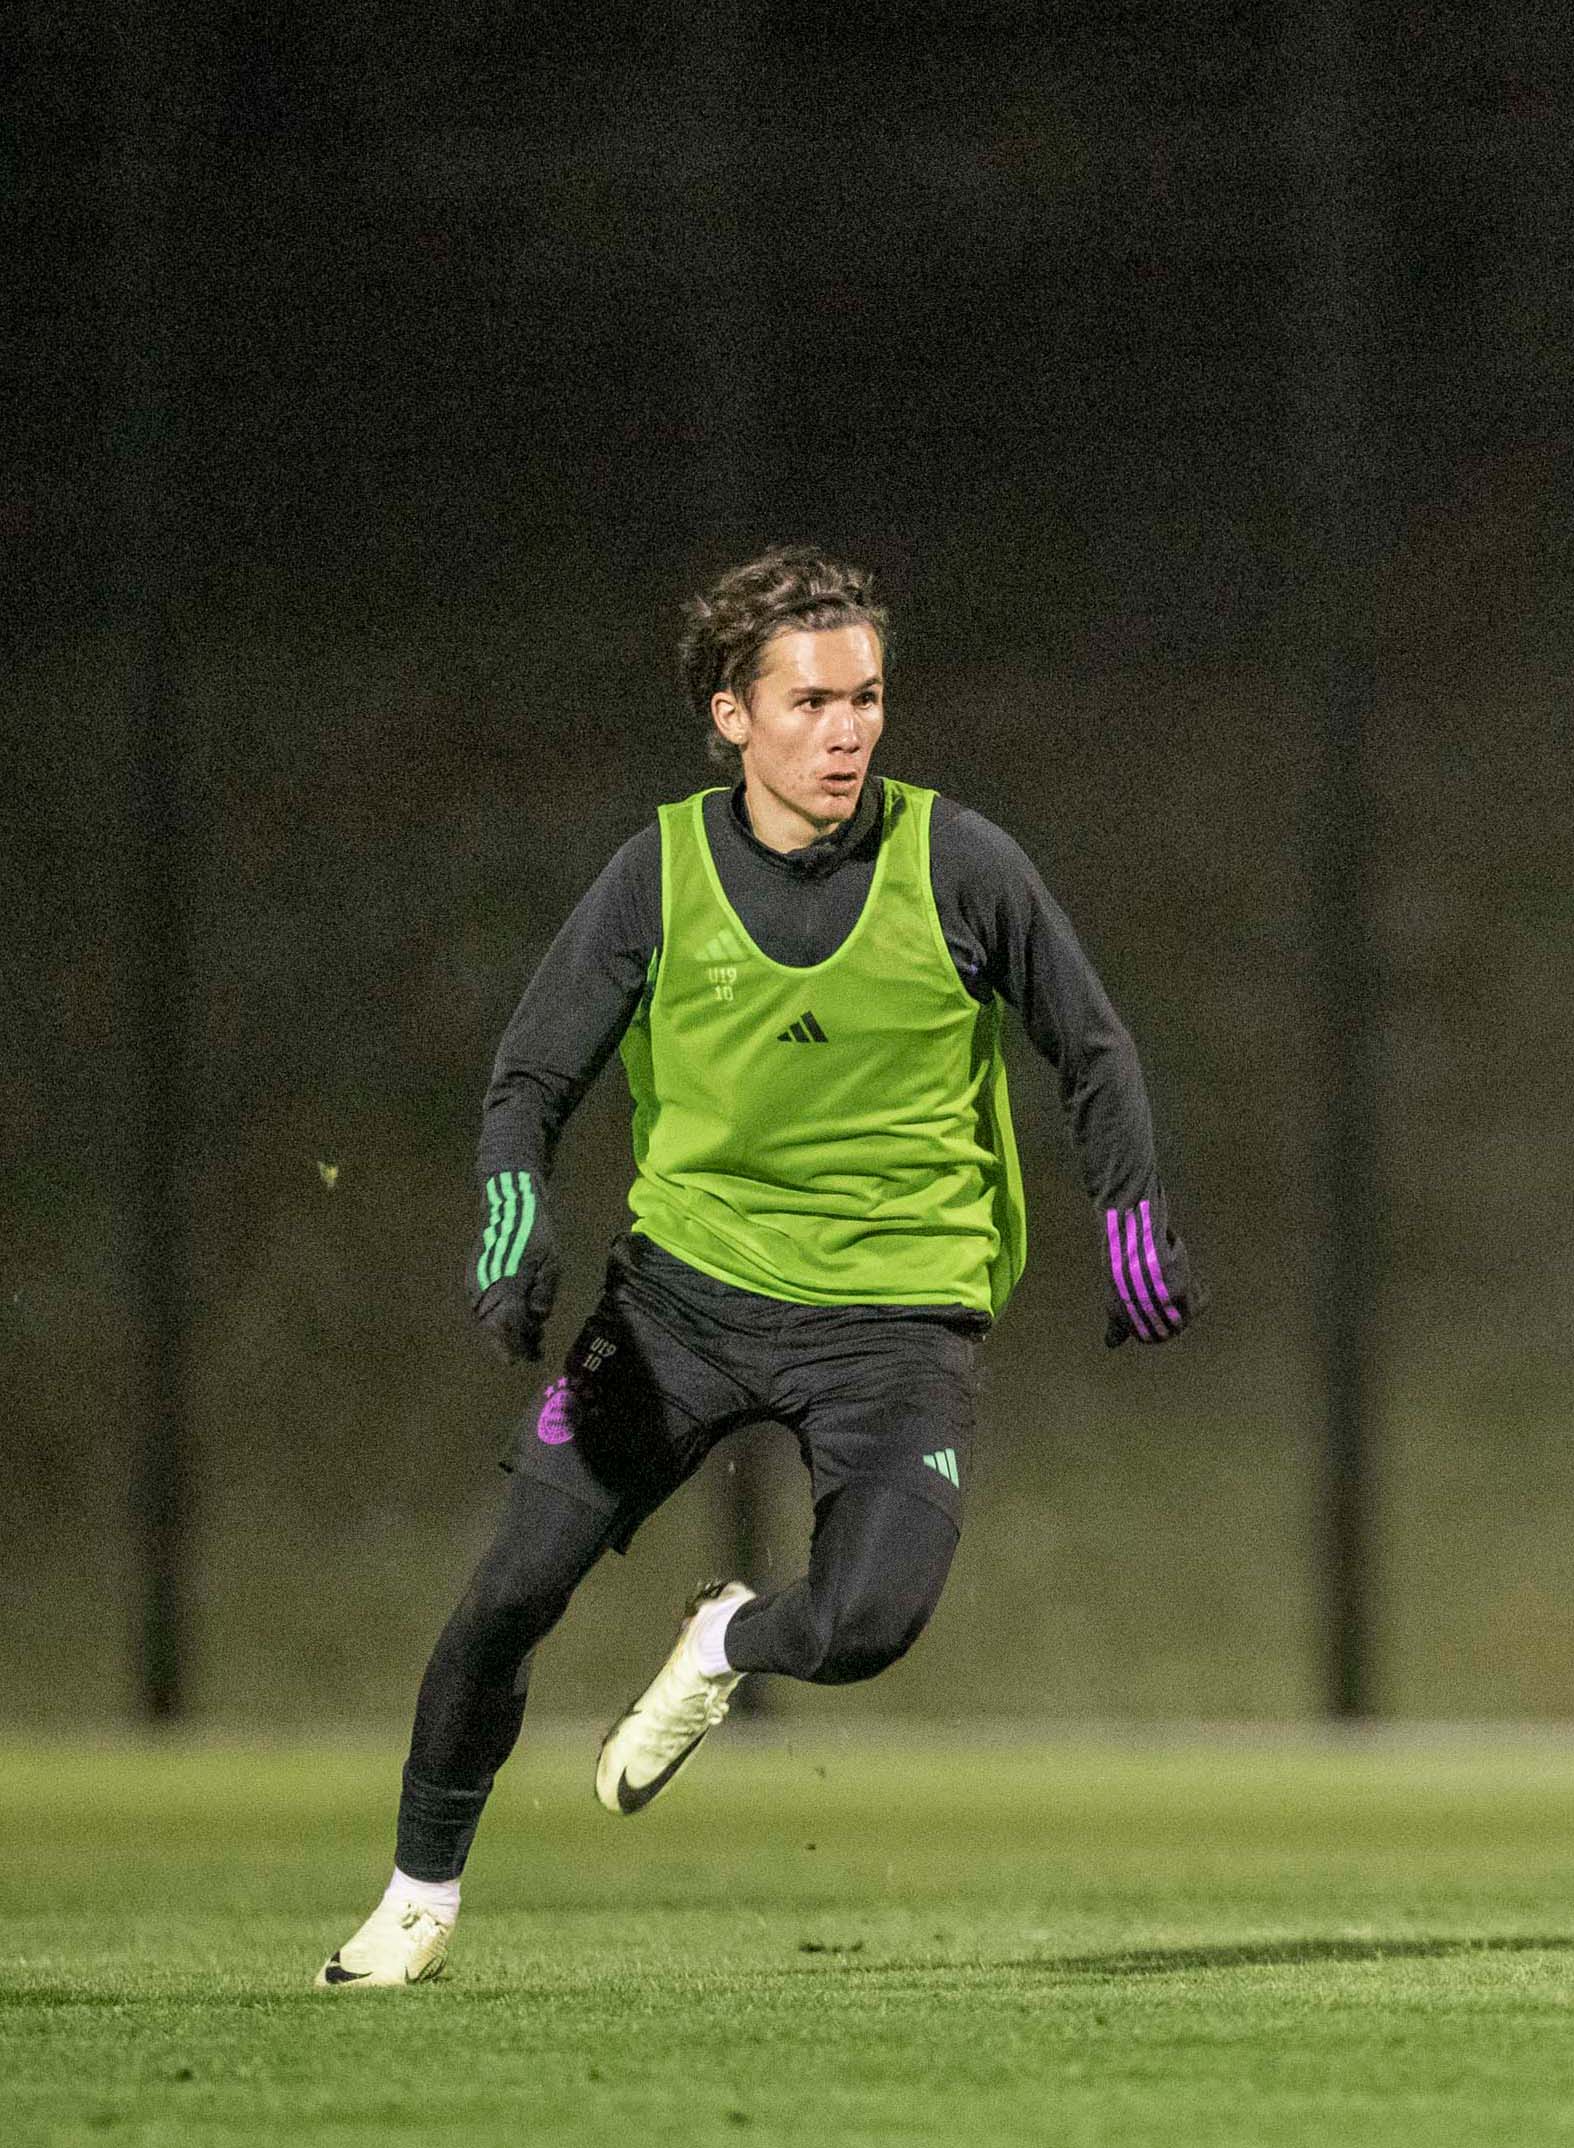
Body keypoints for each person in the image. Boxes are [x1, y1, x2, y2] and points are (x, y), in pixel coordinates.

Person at [319, 546, 1195, 1986]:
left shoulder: (960, 862)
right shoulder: (657, 873)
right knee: (509, 1594)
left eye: (866, 699)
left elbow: (1092, 1050)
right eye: (809, 702)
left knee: (863, 1630)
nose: (846, 730)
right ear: (731, 715)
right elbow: (531, 1076)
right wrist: (511, 1228)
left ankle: (729, 1643)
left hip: (897, 1322)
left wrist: (1130, 1218)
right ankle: (417, 1898)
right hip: (681, 1308)